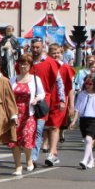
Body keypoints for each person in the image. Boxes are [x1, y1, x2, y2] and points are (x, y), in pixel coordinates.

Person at [29, 38, 65, 166]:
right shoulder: (27, 62)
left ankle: (33, 158)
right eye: (33, 47)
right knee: (30, 130)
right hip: (29, 101)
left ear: (42, 47)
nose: (35, 50)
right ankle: (31, 156)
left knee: (39, 129)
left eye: (37, 47)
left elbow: (59, 81)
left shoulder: (50, 62)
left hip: (44, 101)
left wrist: (62, 99)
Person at [8, 54, 45, 176]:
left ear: (30, 66)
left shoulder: (35, 79)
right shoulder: (13, 79)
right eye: (21, 63)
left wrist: (37, 99)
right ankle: (18, 165)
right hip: (14, 113)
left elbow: (42, 93)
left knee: (27, 137)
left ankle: (29, 159)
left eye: (26, 64)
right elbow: (8, 95)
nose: (23, 66)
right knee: (15, 141)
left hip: (28, 113)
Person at [71, 76, 95, 170]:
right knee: (87, 141)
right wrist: (74, 121)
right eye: (86, 83)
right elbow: (77, 109)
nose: (88, 86)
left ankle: (85, 160)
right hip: (83, 119)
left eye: (90, 84)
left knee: (89, 139)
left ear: (94, 85)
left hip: (93, 120)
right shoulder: (82, 94)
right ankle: (91, 160)